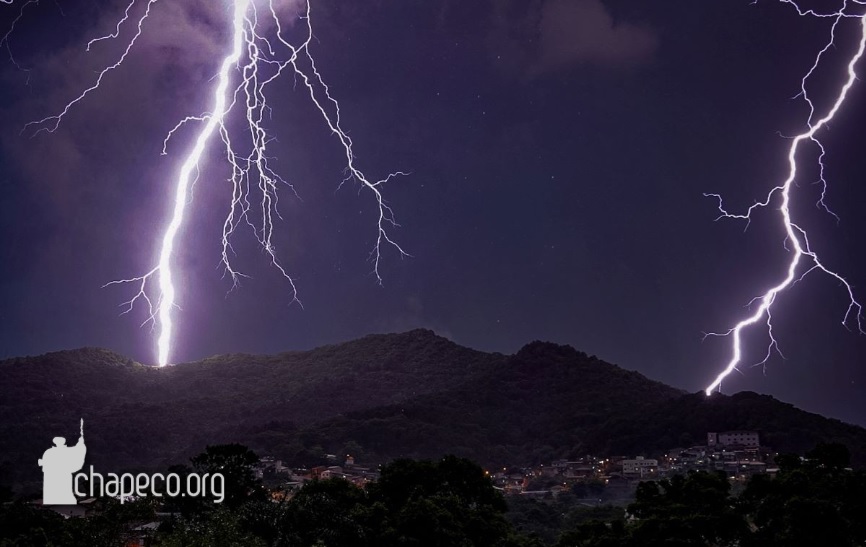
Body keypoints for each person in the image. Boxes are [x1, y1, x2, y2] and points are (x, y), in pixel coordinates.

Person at [38, 419, 86, 505]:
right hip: (56, 478)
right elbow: (78, 451)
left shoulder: (49, 452)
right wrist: (81, 443)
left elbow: (77, 450)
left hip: (57, 479)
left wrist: (81, 442)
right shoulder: (53, 452)